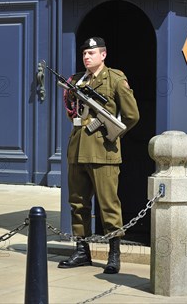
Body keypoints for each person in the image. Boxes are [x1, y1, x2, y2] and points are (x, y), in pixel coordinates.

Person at [58, 37, 140, 273]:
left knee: (108, 205)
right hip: (77, 150)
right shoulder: (76, 80)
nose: (87, 57)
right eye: (85, 53)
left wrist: (111, 132)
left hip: (104, 151)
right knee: (78, 203)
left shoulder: (114, 78)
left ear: (103, 55)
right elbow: (73, 114)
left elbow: (132, 115)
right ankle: (82, 251)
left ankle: (114, 255)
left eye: (92, 53)